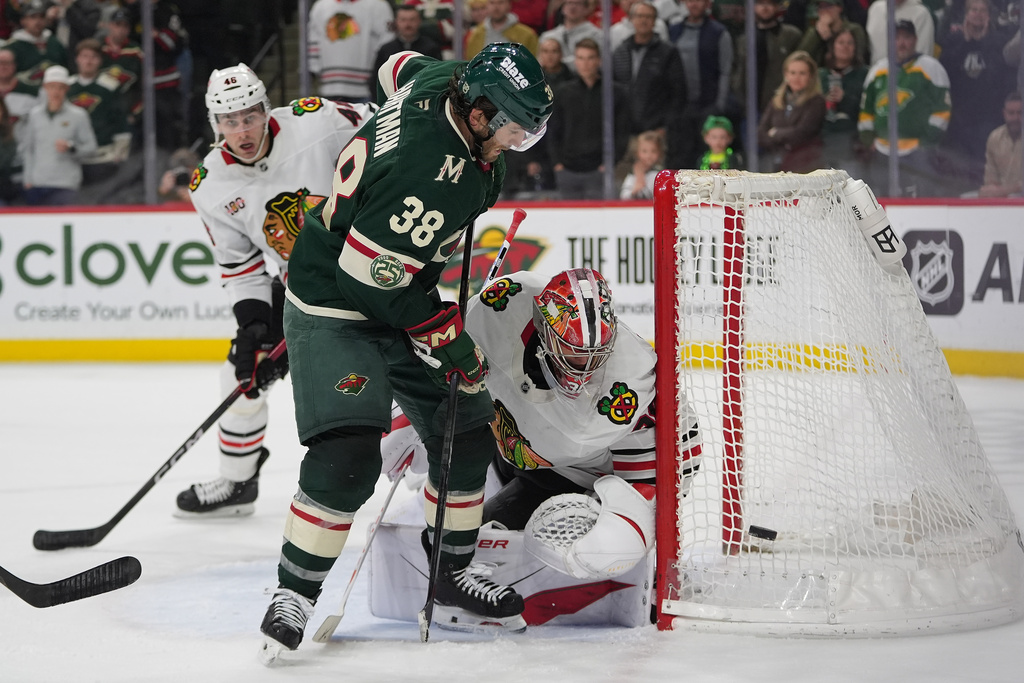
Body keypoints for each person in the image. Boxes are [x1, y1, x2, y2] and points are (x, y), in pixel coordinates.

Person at [257, 42, 553, 663]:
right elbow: (369, 280)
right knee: (348, 455)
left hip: (395, 282)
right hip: (337, 299)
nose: (513, 144)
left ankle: (450, 576)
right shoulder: (428, 167)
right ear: (476, 112)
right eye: (510, 130)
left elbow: (400, 66)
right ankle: (294, 594)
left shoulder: (449, 80)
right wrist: (447, 337)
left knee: (467, 433)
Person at [381, 268, 702, 585]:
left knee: (480, 549)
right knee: (457, 523)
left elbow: (662, 469)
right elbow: (451, 355)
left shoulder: (629, 389)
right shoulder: (501, 307)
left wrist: (632, 525)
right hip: (506, 443)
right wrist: (420, 411)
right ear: (544, 328)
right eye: (574, 352)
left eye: (596, 354)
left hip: (574, 477)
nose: (586, 367)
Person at [177, 64, 376, 518]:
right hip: (304, 287)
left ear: (266, 108)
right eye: (230, 121)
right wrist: (252, 325)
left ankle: (449, 482)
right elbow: (241, 265)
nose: (242, 130)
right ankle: (237, 482)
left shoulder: (317, 120)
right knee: (241, 375)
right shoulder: (210, 184)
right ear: (215, 125)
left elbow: (388, 125)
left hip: (372, 266)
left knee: (402, 372)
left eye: (249, 115)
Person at [859, 20, 950, 197]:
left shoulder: (931, 68)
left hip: (918, 152)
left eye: (906, 37)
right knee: (879, 202)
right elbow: (866, 111)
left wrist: (926, 142)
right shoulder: (877, 70)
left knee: (922, 200)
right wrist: (869, 140)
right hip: (882, 151)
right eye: (896, 38)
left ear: (915, 40)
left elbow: (942, 110)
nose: (901, 43)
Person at [938, 0, 1015, 190]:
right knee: (962, 171)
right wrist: (966, 43)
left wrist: (984, 42)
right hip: (960, 120)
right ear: (966, 14)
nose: (978, 14)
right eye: (974, 10)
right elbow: (946, 74)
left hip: (989, 118)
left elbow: (999, 77)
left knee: (986, 168)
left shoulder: (998, 42)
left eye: (982, 10)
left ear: (989, 15)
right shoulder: (954, 41)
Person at [547, 37, 629, 199]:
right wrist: (557, 163)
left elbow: (622, 131)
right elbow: (553, 130)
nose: (585, 63)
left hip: (599, 169)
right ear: (575, 61)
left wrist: (610, 163)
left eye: (590, 58)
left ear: (598, 60)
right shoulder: (563, 92)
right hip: (567, 169)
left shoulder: (614, 92)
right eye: (581, 58)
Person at [669, 0, 735, 168]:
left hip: (708, 105)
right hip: (680, 107)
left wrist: (719, 105)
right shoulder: (674, 31)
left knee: (704, 154)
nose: (694, 4)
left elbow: (725, 71)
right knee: (682, 153)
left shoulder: (719, 32)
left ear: (707, 3)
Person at [19, 64, 96, 205]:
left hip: (66, 184)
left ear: (67, 89)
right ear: (45, 88)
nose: (56, 92)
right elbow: (28, 149)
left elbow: (91, 147)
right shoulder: (34, 115)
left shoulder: (78, 115)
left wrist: (71, 147)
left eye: (60, 87)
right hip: (37, 183)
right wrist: (28, 179)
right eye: (52, 87)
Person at [67, 38, 131, 191]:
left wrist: (120, 153)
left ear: (100, 60)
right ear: (77, 59)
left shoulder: (109, 86)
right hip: (73, 158)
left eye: (93, 57)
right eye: (84, 56)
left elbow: (121, 121)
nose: (88, 61)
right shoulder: (67, 87)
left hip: (103, 156)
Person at [307, 0, 393, 103]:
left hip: (365, 89)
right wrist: (313, 68)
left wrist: (377, 75)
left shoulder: (378, 6)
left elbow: (387, 42)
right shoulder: (321, 7)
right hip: (329, 87)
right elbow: (312, 40)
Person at [757, 50, 826, 173]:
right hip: (776, 164)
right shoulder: (777, 100)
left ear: (810, 76)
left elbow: (803, 132)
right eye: (792, 73)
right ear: (786, 75)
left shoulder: (816, 101)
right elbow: (761, 133)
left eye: (802, 73)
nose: (796, 78)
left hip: (805, 165)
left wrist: (776, 133)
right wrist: (780, 139)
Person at [731, 0, 802, 115]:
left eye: (769, 3)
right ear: (753, 7)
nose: (765, 8)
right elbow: (736, 70)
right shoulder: (743, 39)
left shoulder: (791, 35)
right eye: (760, 3)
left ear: (777, 7)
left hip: (782, 105)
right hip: (749, 107)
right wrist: (739, 95)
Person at [818, 27, 867, 175]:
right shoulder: (820, 75)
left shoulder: (865, 74)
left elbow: (868, 109)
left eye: (850, 43)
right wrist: (823, 102)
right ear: (832, 47)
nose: (845, 47)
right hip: (823, 141)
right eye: (841, 42)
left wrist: (846, 99)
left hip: (851, 141)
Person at [4, 0, 68, 86]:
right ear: (23, 20)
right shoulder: (12, 47)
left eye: (41, 17)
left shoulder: (55, 43)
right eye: (33, 17)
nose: (38, 21)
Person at [795, 0, 867, 74]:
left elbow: (860, 55)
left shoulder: (853, 29)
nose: (824, 10)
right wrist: (816, 33)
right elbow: (799, 57)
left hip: (851, 73)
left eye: (828, 6)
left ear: (840, 8)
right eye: (820, 7)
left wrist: (831, 38)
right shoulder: (813, 31)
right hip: (820, 76)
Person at [373, 3, 442, 75]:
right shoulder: (386, 50)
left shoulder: (431, 48)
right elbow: (377, 78)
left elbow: (438, 76)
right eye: (403, 20)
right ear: (396, 22)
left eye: (412, 20)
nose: (408, 24)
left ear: (419, 21)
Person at [978, 91, 1022, 197]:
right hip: (1003, 202)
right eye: (1011, 113)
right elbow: (991, 181)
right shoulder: (995, 138)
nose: (1016, 118)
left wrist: (1005, 190)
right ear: (1004, 114)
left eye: (1020, 113)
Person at [538, 0, 601, 71]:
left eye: (577, 3)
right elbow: (540, 64)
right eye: (569, 3)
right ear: (562, 7)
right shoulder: (547, 36)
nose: (572, 7)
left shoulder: (596, 35)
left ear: (586, 8)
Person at [865, 0, 936, 63]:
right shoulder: (875, 9)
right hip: (877, 75)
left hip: (911, 75)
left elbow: (923, 56)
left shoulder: (921, 14)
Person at [465, 0, 539, 58]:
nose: (496, 7)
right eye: (492, 2)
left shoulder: (527, 35)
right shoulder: (475, 34)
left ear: (509, 5)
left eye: (501, 2)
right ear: (486, 5)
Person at [619, 129, 663, 199]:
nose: (649, 155)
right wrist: (635, 190)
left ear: (659, 152)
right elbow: (624, 196)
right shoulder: (632, 174)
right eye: (644, 151)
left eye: (653, 151)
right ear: (637, 153)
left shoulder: (659, 174)